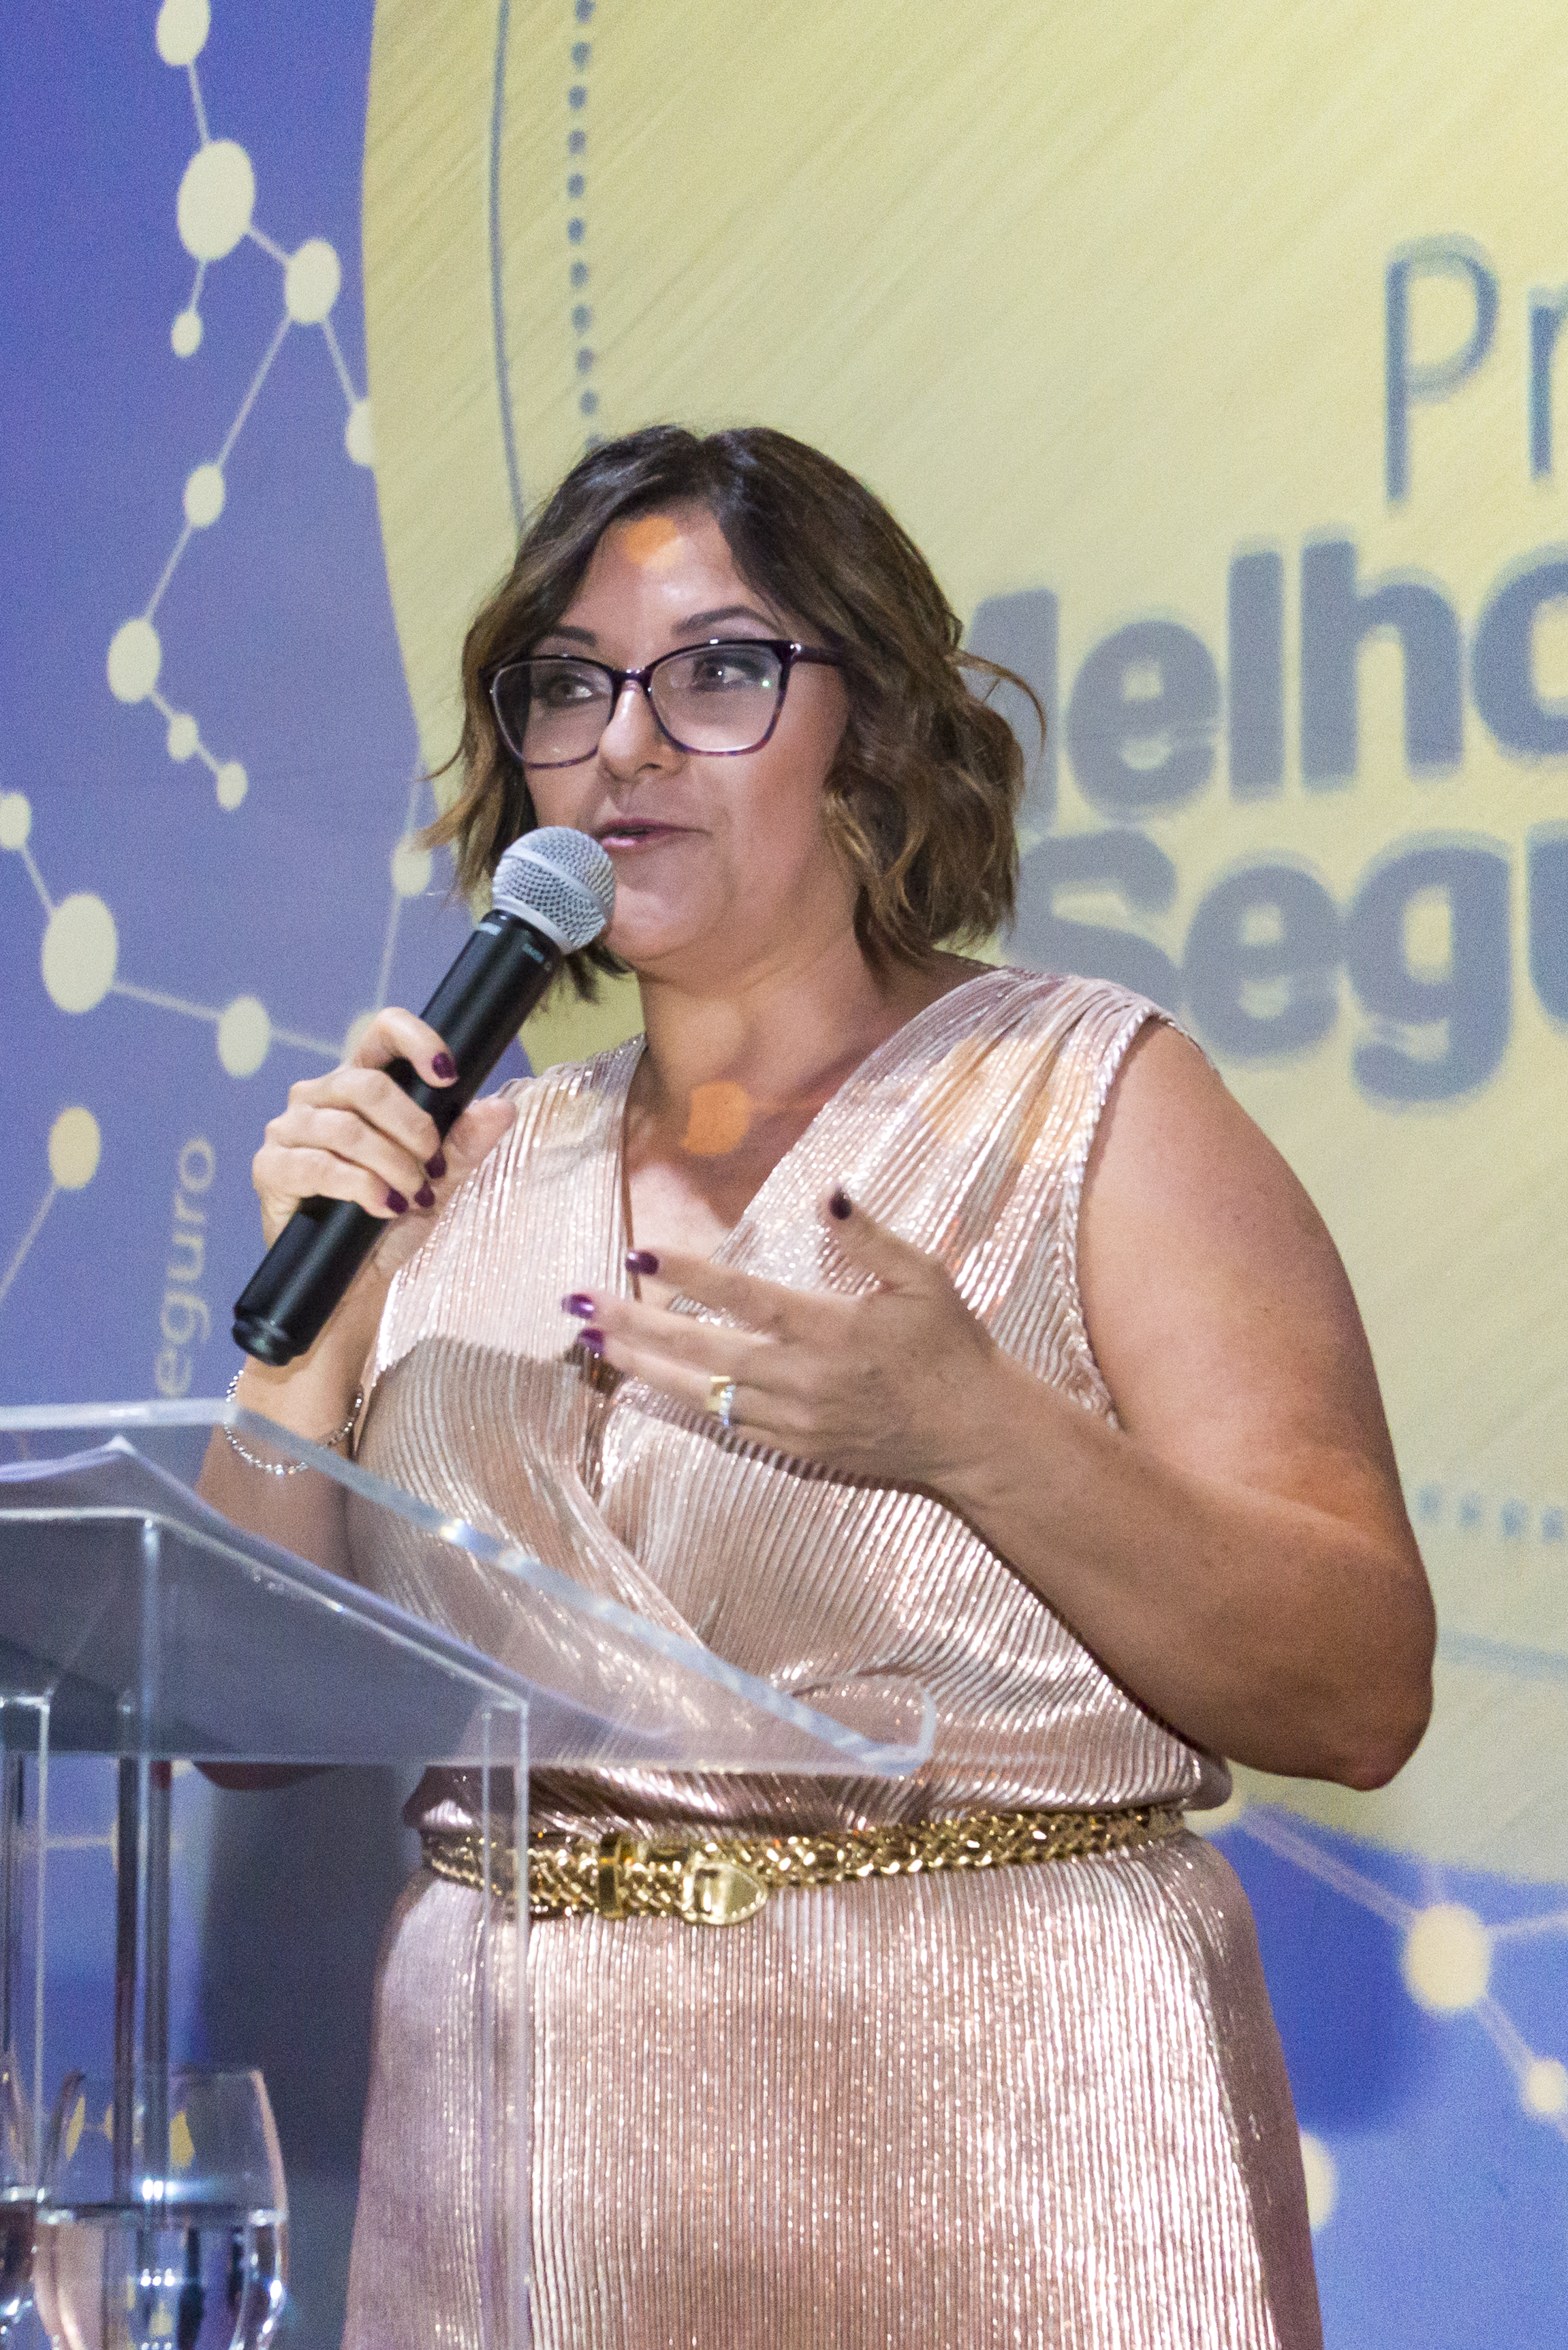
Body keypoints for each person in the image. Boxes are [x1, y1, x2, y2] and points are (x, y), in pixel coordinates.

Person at [204, 425, 1434, 2349]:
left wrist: (976, 1434)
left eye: (715, 671)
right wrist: (322, 1309)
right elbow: (235, 1718)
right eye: (568, 685)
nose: (625, 744)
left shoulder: (1085, 1100)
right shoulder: (459, 1164)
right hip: (528, 2185)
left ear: (874, 730)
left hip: (1014, 2132)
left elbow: (1358, 1690)